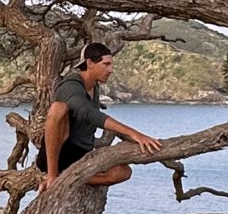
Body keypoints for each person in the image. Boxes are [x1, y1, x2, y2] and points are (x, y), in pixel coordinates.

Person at [41, 40, 162, 187]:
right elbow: (87, 113)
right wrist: (135, 134)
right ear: (90, 63)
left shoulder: (94, 86)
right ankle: (52, 176)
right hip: (63, 154)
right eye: (106, 64)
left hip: (82, 156)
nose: (111, 70)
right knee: (57, 108)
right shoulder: (71, 85)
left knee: (123, 172)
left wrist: (135, 139)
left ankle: (66, 178)